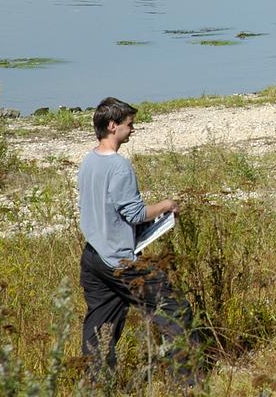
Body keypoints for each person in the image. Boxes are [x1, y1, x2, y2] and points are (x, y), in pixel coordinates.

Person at [78, 97, 198, 384]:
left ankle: (97, 384)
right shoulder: (119, 167)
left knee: (100, 323)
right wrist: (167, 206)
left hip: (93, 256)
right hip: (119, 260)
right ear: (112, 125)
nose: (133, 130)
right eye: (129, 125)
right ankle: (186, 383)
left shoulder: (89, 160)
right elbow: (134, 214)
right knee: (174, 311)